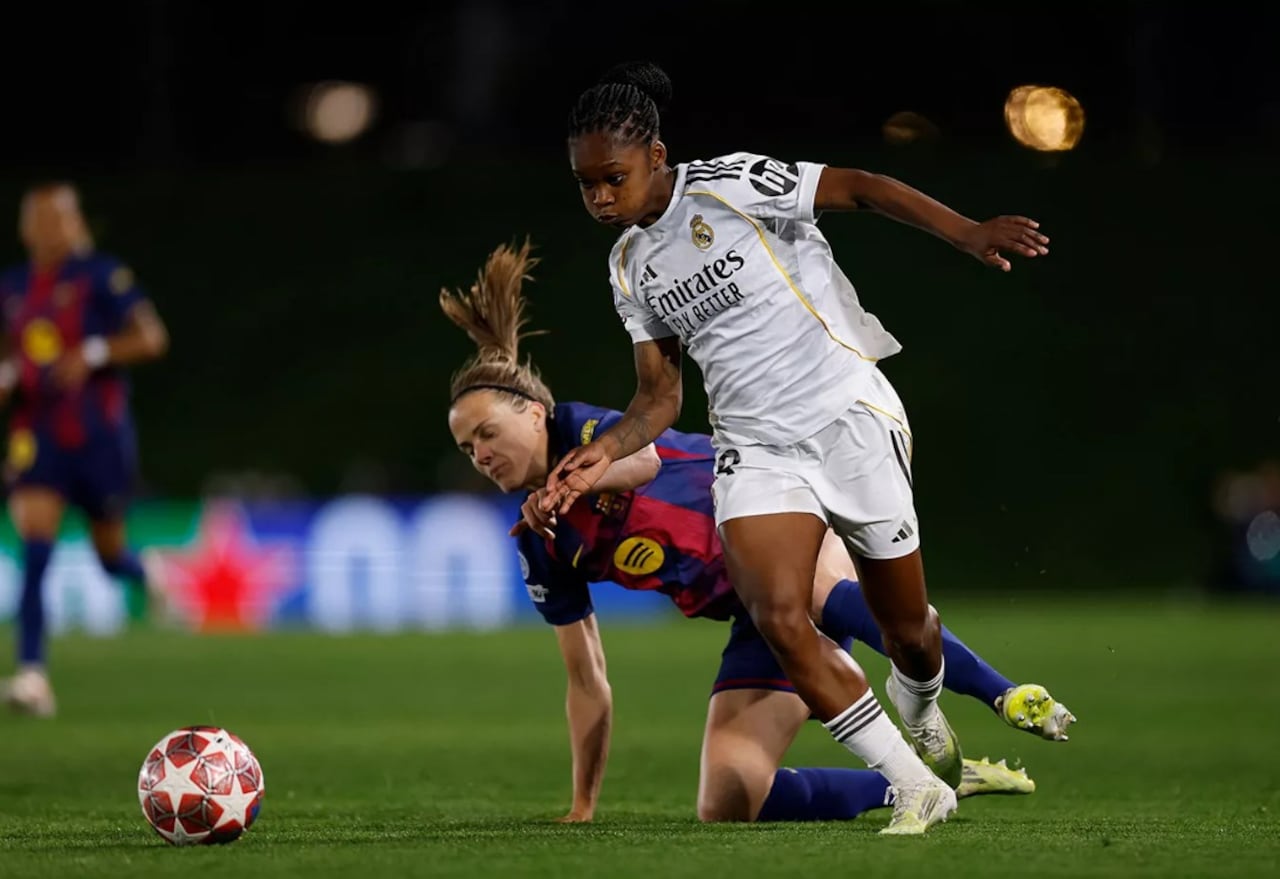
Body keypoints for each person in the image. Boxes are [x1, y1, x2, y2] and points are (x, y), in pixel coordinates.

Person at [543, 61, 1052, 833]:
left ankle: (922, 711)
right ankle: (917, 784)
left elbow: (861, 186)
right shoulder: (628, 267)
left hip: (845, 411)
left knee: (909, 633)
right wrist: (602, 448)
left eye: (612, 177)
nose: (601, 197)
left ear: (654, 152)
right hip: (756, 446)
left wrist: (968, 232)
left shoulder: (732, 183)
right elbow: (659, 398)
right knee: (778, 610)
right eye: (586, 185)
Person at [442, 242, 1073, 828]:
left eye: (487, 434)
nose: (480, 454)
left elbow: (647, 461)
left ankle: (1004, 693)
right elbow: (586, 679)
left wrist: (573, 482)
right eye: (467, 448)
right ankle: (937, 784)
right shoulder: (539, 542)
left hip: (787, 523)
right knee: (730, 793)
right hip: (755, 617)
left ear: (532, 413)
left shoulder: (582, 430)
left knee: (815, 594)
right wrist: (582, 805)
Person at [0, 182, 170, 717]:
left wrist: (93, 352)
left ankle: (147, 574)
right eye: (44, 219)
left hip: (98, 437)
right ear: (27, 228)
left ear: (77, 224)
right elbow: (10, 354)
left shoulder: (102, 277)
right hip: (37, 435)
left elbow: (151, 338)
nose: (55, 229)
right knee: (35, 550)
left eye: (64, 218)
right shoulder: (13, 287)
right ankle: (32, 675)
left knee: (108, 557)